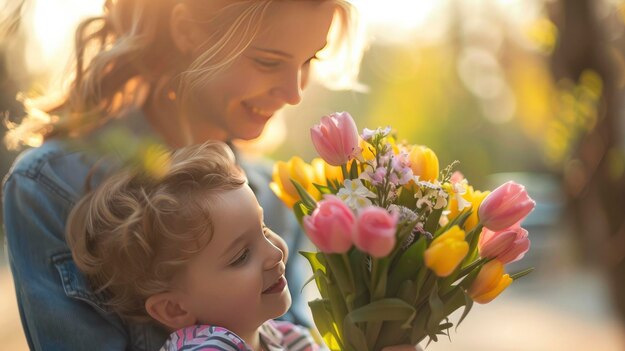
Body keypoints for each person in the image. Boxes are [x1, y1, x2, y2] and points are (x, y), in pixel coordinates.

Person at [3, 0, 364, 350]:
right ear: (187, 32)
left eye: (309, 60)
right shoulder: (51, 187)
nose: (295, 94)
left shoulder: (276, 193)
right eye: (268, 61)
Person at [66, 141, 317, 351]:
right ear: (174, 309)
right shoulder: (206, 347)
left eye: (264, 229)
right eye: (241, 256)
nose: (274, 253)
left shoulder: (290, 339)